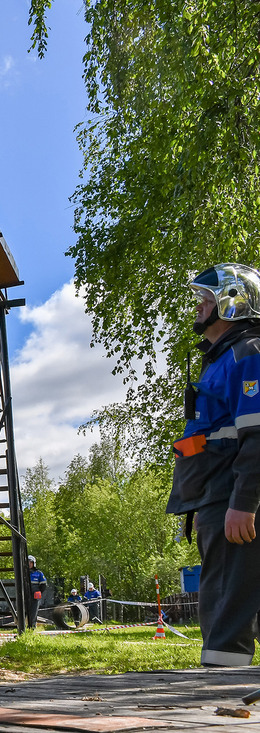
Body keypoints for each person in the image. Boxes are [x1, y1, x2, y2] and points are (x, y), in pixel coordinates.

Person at [168, 263, 260, 667]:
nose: (199, 307)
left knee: (226, 606)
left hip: (231, 502)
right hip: (218, 499)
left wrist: (244, 503)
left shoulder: (248, 354)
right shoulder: (223, 359)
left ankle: (214, 702)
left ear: (232, 301)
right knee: (234, 598)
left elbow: (257, 435)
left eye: (206, 299)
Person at [26, 555, 47, 630]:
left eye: (30, 562)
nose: (29, 564)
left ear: (33, 563)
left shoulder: (39, 573)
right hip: (24, 595)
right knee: (23, 612)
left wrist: (39, 591)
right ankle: (22, 629)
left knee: (33, 612)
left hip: (34, 597)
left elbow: (44, 584)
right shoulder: (23, 572)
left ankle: (32, 628)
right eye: (28, 562)